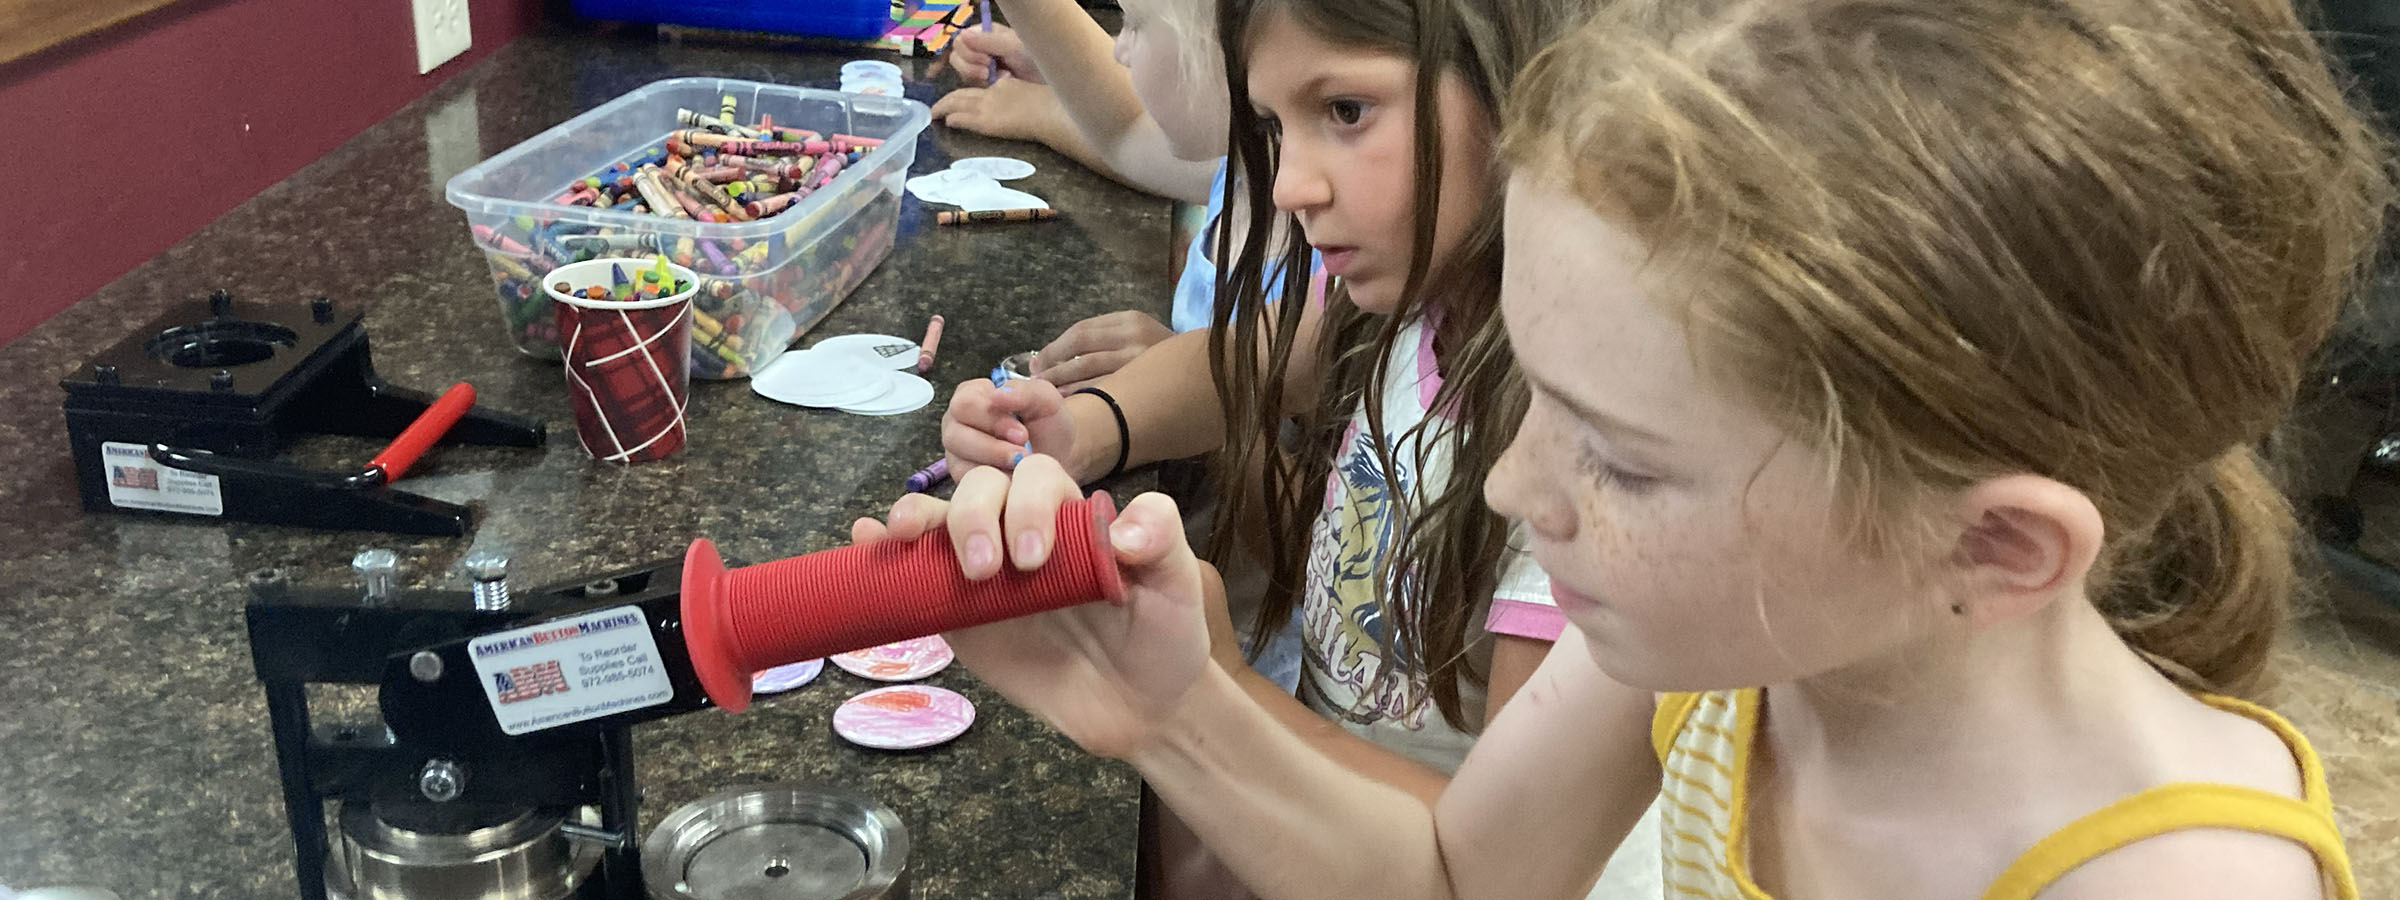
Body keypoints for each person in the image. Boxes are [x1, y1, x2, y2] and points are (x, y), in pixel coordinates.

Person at [883, 0, 2394, 897]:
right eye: (1535, 394)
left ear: (1996, 547)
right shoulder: (1720, 646)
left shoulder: (2175, 880)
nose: (1509, 487)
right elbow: (1467, 875)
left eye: (1624, 458)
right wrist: (1170, 711)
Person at [939, 0, 1661, 895]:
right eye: (1278, 123)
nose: (1288, 186)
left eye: (1346, 112)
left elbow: (1492, 851)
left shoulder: (1577, 452)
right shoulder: (1411, 308)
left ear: (1516, 85)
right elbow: (1257, 357)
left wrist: (1216, 690)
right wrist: (1086, 427)